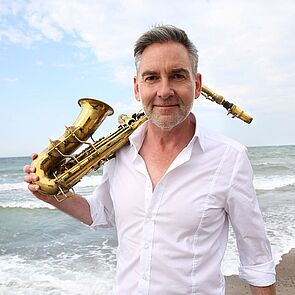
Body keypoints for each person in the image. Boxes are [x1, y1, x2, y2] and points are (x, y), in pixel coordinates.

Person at [24, 25, 276, 294]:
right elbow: (102, 213)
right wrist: (51, 194)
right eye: (152, 78)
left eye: (177, 76)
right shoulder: (119, 152)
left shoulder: (230, 157)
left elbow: (257, 260)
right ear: (137, 87)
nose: (164, 91)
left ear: (197, 85)